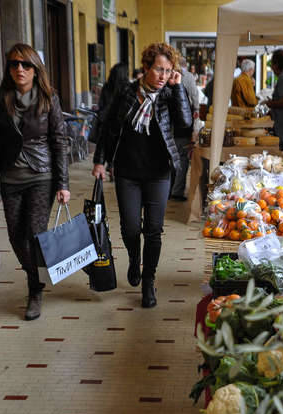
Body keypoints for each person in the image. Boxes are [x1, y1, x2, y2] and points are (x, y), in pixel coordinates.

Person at [92, 42, 192, 308]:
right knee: (130, 227)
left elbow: (185, 123)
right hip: (127, 171)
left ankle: (149, 281)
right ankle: (134, 257)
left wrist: (178, 87)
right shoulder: (126, 92)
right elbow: (108, 128)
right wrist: (100, 161)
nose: (163, 75)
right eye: (159, 69)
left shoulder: (170, 94)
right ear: (146, 67)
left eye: (168, 71)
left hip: (159, 172)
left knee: (154, 230)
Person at [0, 43, 70, 321]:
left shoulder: (48, 98)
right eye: (14, 64)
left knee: (34, 233)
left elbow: (59, 140)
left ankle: (35, 290)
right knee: (16, 238)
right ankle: (37, 276)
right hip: (10, 176)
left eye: (26, 64)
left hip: (41, 174)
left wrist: (63, 182)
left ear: (35, 69)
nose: (20, 69)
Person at [170, 57, 200, 201]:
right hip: (181, 128)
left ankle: (170, 189)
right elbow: (194, 100)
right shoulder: (186, 78)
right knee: (182, 158)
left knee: (172, 158)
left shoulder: (165, 81)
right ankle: (176, 190)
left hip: (171, 127)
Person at [89, 62, 130, 145]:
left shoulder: (107, 86)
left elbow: (101, 105)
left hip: (105, 126)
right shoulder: (127, 89)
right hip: (121, 129)